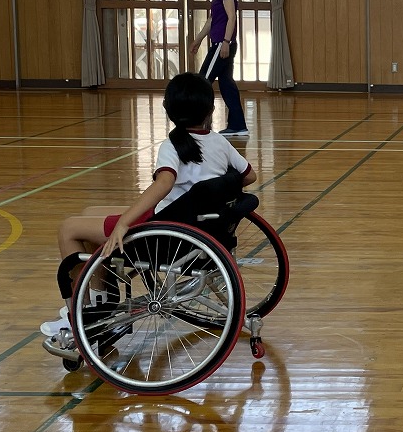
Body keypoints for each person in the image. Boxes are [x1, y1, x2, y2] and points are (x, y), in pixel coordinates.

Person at [41, 72, 256, 341]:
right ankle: (102, 302)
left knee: (69, 228)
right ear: (211, 109)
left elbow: (164, 183)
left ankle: (80, 314)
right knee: (89, 214)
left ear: (168, 110)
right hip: (198, 224)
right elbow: (249, 176)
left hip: (165, 235)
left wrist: (124, 223)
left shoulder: (172, 146)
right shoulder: (219, 142)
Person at [190, 0, 248, 137]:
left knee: (203, 82)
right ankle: (238, 125)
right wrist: (197, 40)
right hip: (219, 43)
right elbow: (212, 19)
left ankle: (199, 124)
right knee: (226, 84)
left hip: (222, 45)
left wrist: (225, 42)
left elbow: (231, 17)